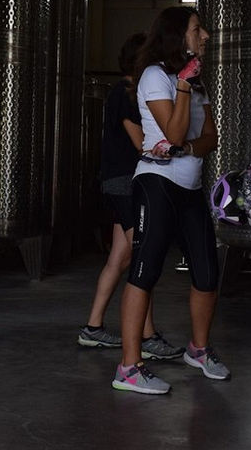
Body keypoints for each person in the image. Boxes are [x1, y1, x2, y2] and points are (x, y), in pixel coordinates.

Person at [111, 6, 229, 395]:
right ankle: (129, 367)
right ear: (178, 35)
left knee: (207, 273)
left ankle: (199, 349)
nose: (206, 36)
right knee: (144, 272)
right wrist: (181, 89)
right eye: (198, 29)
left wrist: (186, 146)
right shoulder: (155, 77)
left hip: (190, 189)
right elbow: (174, 133)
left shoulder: (198, 84)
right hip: (156, 183)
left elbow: (210, 138)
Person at [78, 33, 183, 360]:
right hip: (126, 181)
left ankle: (93, 328)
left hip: (117, 181)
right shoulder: (125, 94)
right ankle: (147, 336)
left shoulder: (123, 93)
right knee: (144, 257)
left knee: (120, 258)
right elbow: (141, 142)